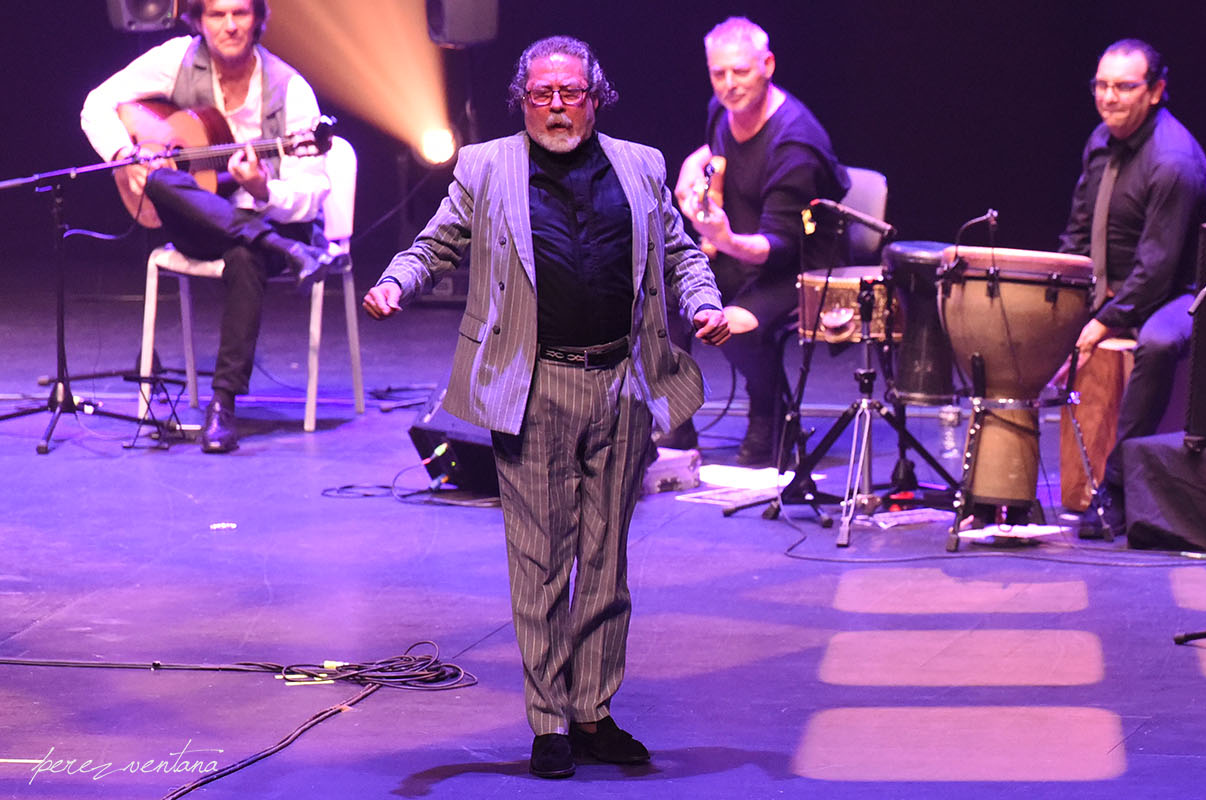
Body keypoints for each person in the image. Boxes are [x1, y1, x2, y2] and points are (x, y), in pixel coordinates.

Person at [363, 36, 729, 779]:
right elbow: (434, 244)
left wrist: (704, 301)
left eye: (569, 93)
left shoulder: (642, 165)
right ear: (522, 99)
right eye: (540, 94)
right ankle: (548, 721)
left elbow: (681, 253)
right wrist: (396, 283)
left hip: (622, 380)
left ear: (596, 96)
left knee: (604, 560)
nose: (555, 107)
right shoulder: (486, 166)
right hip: (533, 384)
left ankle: (593, 712)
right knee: (539, 560)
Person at [81, 0, 342, 454]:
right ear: (199, 21)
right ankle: (282, 248)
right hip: (202, 223)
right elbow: (96, 104)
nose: (229, 26)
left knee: (244, 255)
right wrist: (125, 155)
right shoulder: (176, 58)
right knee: (160, 176)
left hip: (268, 221)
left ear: (259, 19)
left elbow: (313, 191)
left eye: (240, 13)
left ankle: (222, 405)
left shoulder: (290, 88)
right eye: (217, 15)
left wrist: (263, 190)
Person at [665, 16, 850, 465]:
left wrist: (722, 238)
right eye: (718, 73)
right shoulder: (722, 109)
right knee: (661, 297)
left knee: (730, 322)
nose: (728, 84)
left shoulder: (795, 147)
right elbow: (715, 149)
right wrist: (694, 167)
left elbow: (779, 247)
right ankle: (676, 419)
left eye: (740, 72)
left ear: (767, 65)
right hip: (740, 252)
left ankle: (769, 414)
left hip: (800, 266)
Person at [1058, 39, 1206, 538]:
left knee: (1158, 340)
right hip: (1121, 289)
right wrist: (1058, 295)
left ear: (1155, 91)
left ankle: (1120, 487)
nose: (1109, 97)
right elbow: (1078, 232)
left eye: (1124, 87)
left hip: (1182, 292)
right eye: (1101, 85)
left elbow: (1158, 270)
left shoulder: (1172, 161)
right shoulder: (1100, 141)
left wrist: (1103, 321)